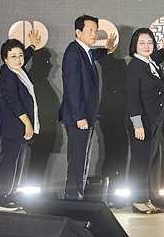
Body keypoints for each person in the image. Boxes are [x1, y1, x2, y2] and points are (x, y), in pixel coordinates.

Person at [59, 14, 118, 200]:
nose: (94, 34)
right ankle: (72, 199)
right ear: (78, 32)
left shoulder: (85, 51)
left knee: (82, 159)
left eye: (96, 30)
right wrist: (79, 116)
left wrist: (107, 50)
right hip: (78, 117)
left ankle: (77, 197)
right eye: (89, 30)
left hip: (86, 116)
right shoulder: (73, 53)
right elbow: (72, 88)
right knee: (77, 160)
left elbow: (94, 54)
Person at [124, 28, 164, 214]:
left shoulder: (150, 61)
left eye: (150, 43)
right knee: (140, 162)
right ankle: (138, 200)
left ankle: (147, 198)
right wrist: (137, 125)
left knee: (151, 162)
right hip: (141, 123)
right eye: (142, 43)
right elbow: (132, 99)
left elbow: (158, 56)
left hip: (153, 120)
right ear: (134, 46)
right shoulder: (133, 68)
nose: (146, 46)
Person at [0, 29, 42, 211]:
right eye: (13, 56)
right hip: (13, 127)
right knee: (8, 164)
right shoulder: (7, 75)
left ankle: (10, 195)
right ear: (5, 59)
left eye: (20, 55)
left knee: (17, 164)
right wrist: (28, 123)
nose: (18, 59)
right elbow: (13, 102)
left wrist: (32, 46)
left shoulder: (18, 69)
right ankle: (1, 199)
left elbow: (24, 57)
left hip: (20, 128)